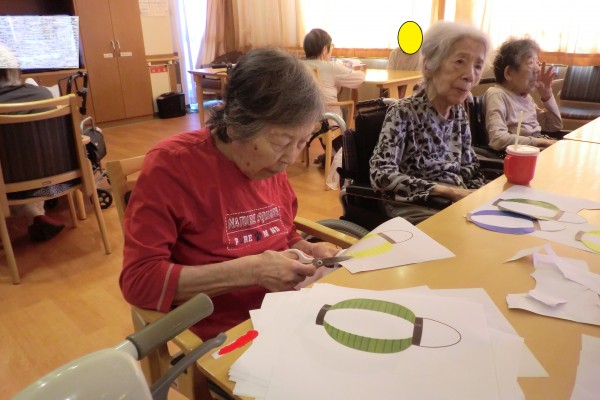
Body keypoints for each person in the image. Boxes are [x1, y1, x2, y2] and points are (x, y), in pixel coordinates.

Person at [120, 48, 339, 341]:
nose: (289, 159)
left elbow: (280, 232)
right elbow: (139, 281)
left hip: (291, 310)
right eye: (281, 142)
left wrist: (306, 250)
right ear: (235, 125)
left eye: (302, 143)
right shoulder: (171, 166)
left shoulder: (268, 164)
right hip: (229, 335)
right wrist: (252, 271)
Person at [369, 21, 489, 225]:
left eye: (478, 66)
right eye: (460, 61)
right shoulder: (403, 112)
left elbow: (470, 167)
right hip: (415, 208)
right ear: (429, 65)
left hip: (456, 204)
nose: (470, 75)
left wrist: (480, 195)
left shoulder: (458, 113)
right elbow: (381, 174)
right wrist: (446, 191)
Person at [0, 44, 65, 242]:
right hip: (56, 182)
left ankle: (33, 217)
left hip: (7, 186)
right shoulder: (43, 94)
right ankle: (36, 216)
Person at [483, 38, 562, 151]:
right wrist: (542, 142)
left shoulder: (525, 97)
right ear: (509, 73)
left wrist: (547, 94)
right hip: (521, 154)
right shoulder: (497, 95)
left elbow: (553, 126)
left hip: (535, 149)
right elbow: (498, 139)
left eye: (537, 63)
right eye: (530, 62)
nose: (538, 69)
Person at [303, 28, 365, 118]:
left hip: (304, 121)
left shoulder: (296, 66)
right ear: (324, 49)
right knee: (346, 111)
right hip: (330, 120)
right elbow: (360, 79)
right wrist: (359, 70)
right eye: (331, 46)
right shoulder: (331, 66)